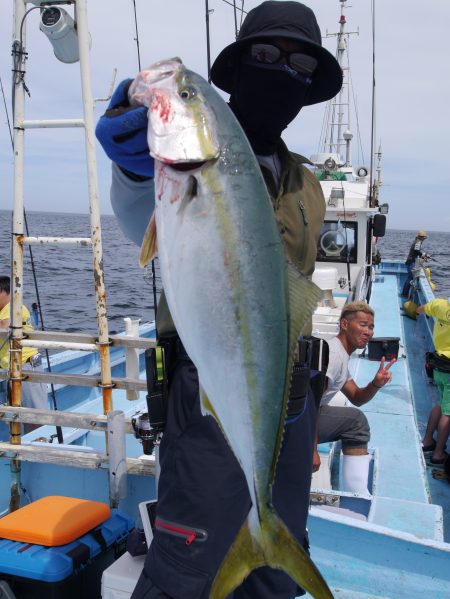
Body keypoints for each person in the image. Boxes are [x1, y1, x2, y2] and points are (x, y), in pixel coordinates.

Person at [95, 2, 343, 597]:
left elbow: (296, 293)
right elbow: (139, 218)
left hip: (288, 397)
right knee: (189, 568)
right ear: (235, 69)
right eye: (264, 56)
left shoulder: (306, 182)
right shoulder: (181, 167)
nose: (280, 72)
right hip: (206, 394)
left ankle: (270, 545)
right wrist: (135, 164)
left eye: (298, 63)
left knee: (271, 571)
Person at [313, 301, 395, 496]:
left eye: (371, 327)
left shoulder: (340, 353)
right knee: (356, 422)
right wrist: (311, 449)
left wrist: (375, 383)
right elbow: (311, 400)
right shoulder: (333, 355)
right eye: (363, 325)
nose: (369, 332)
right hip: (299, 419)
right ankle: (356, 495)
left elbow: (357, 397)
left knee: (355, 417)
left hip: (308, 415)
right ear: (344, 324)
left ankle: (356, 491)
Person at [0, 276, 48, 438]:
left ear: (3, 292)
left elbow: (4, 327)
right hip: (12, 369)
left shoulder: (16, 307)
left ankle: (39, 447)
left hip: (26, 367)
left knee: (35, 416)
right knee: (16, 412)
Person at [417, 298, 450, 466]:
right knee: (449, 412)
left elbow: (420, 309)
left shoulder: (441, 305)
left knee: (440, 403)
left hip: (438, 365)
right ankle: (438, 454)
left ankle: (427, 441)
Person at [401, 230, 427, 298]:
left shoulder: (416, 241)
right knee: (410, 278)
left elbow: (416, 252)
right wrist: (423, 254)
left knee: (410, 278)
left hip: (410, 261)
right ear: (422, 237)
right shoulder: (418, 242)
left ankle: (405, 293)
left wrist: (422, 255)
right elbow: (417, 251)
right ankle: (404, 294)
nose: (424, 239)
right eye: (424, 238)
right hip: (411, 262)